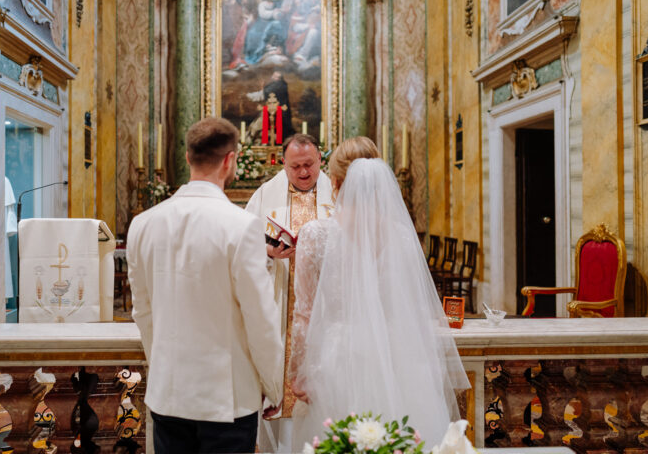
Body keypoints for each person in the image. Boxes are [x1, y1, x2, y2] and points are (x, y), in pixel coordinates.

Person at [288, 137, 470, 451]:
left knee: (336, 441)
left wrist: (298, 372)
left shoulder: (315, 235)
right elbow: (412, 308)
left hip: (337, 359)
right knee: (401, 438)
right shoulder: (402, 236)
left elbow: (304, 314)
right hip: (396, 357)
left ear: (335, 183)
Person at [127, 117, 284, 454]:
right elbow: (260, 320)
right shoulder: (241, 226)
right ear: (230, 160)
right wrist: (275, 387)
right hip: (226, 400)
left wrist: (164, 368)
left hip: (168, 393)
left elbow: (143, 313)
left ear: (188, 157)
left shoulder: (142, 224)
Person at [245, 133, 334, 452]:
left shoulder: (338, 194)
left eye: (309, 164)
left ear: (320, 160)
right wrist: (268, 252)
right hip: (279, 301)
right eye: (295, 166)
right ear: (283, 164)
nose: (304, 172)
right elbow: (242, 245)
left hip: (324, 305)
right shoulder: (265, 195)